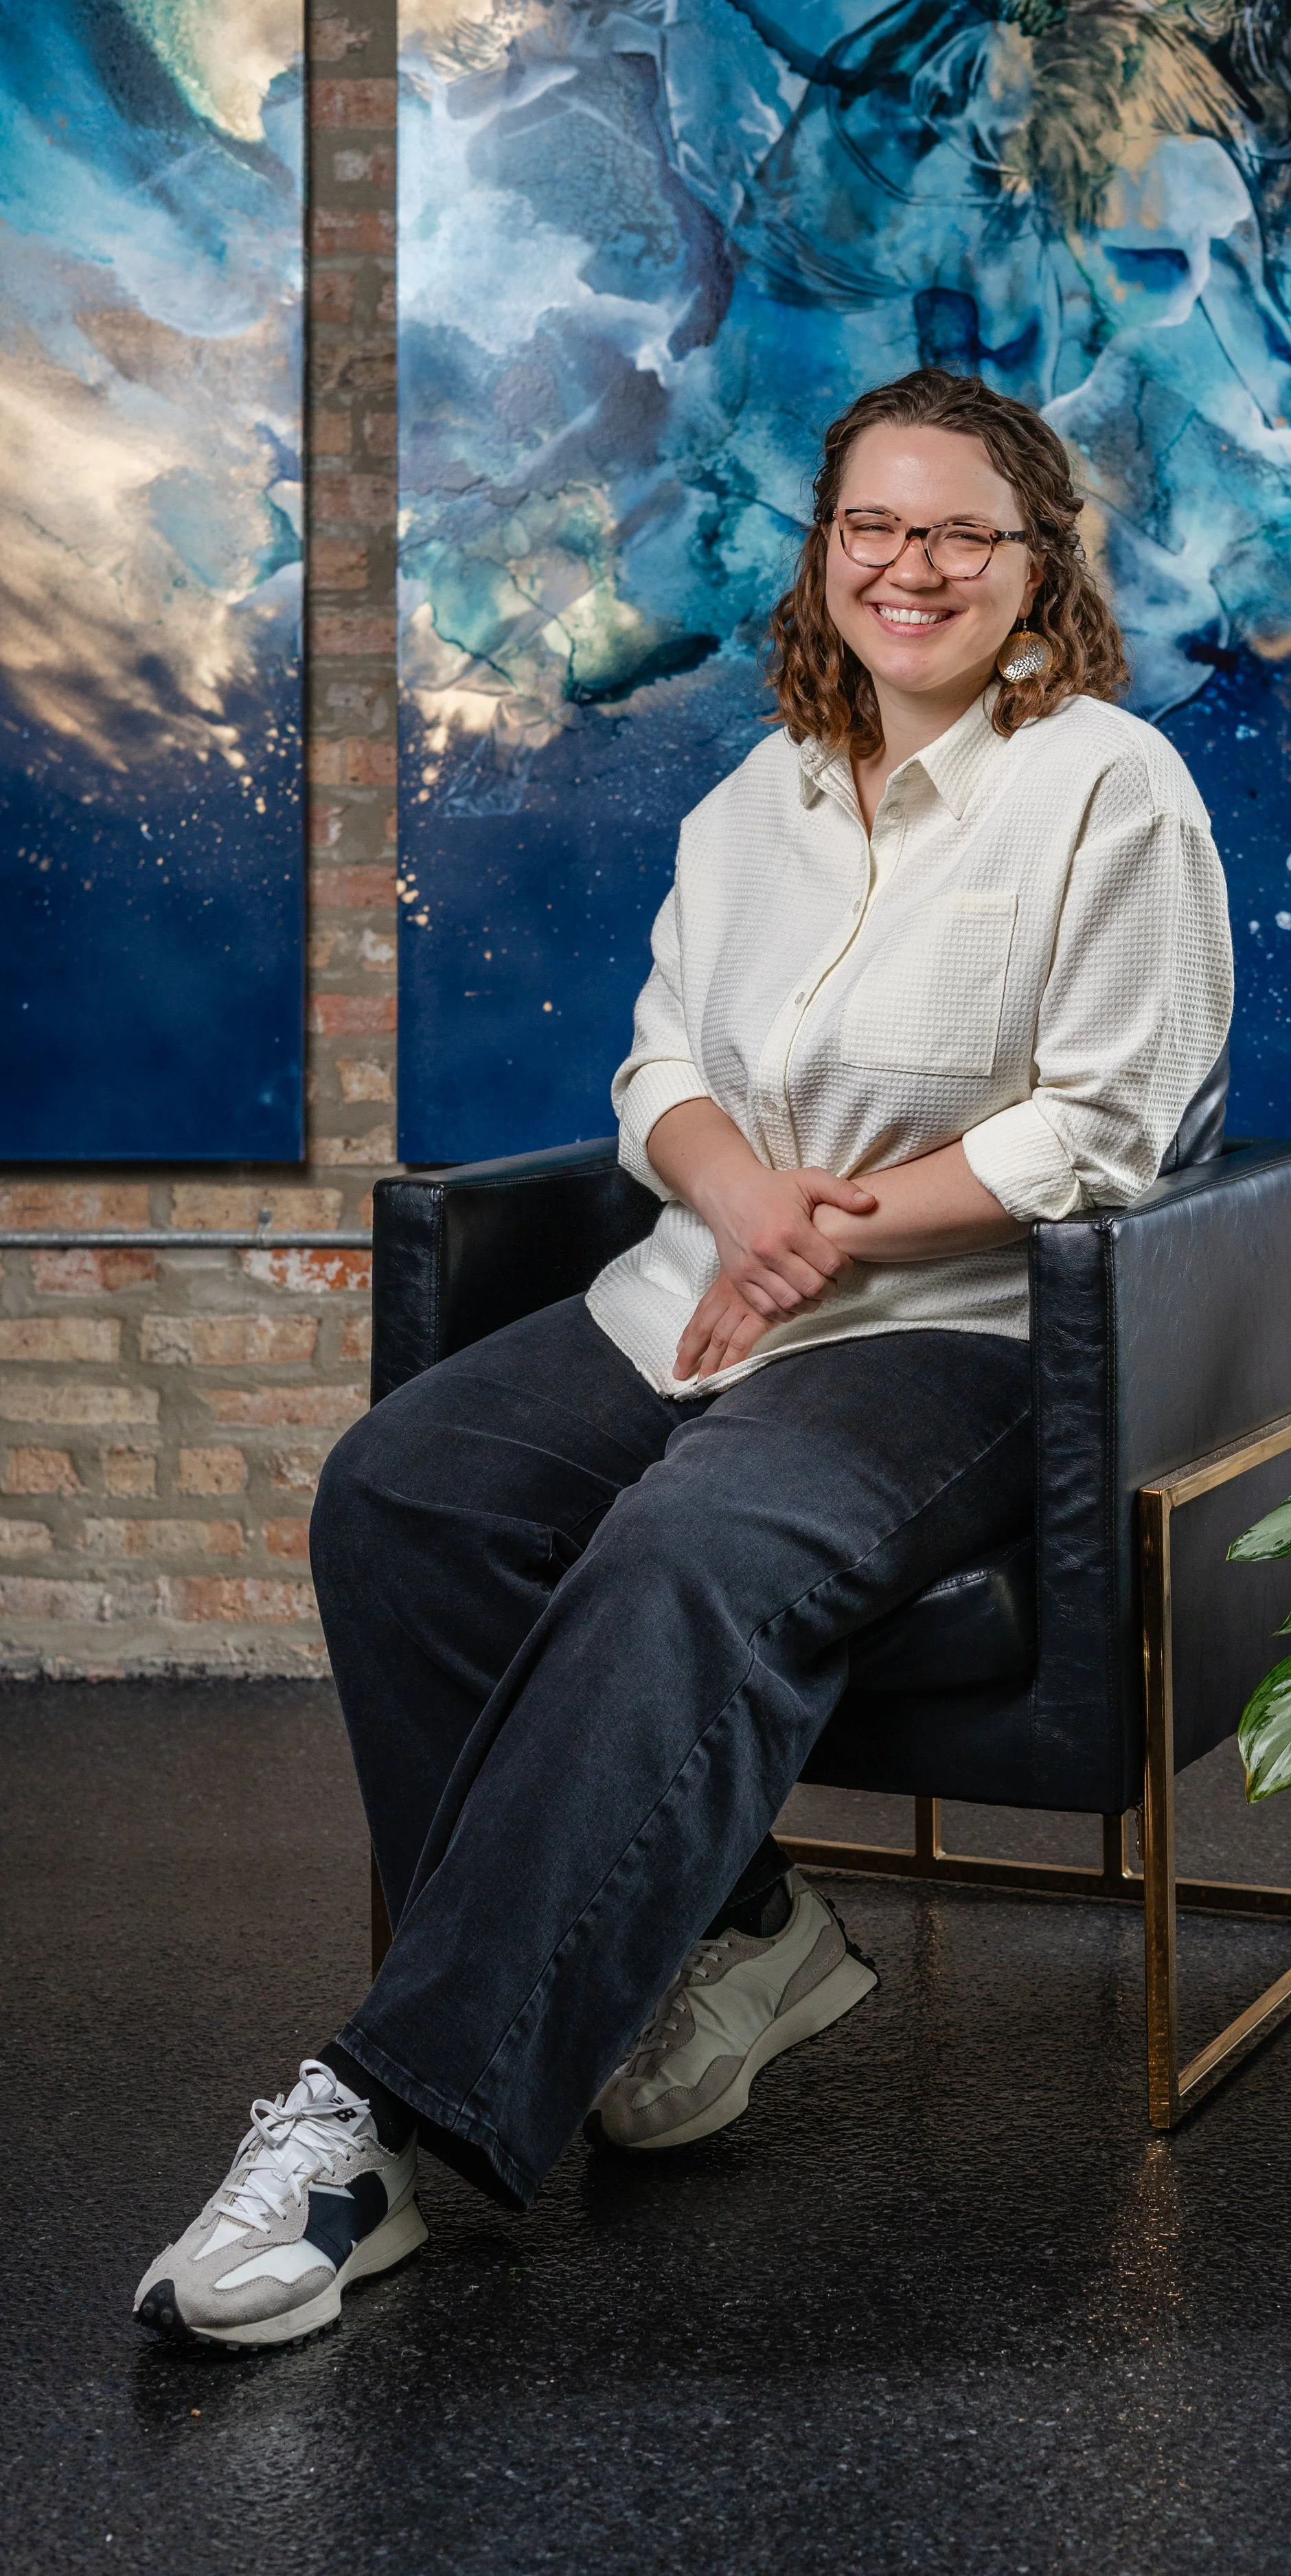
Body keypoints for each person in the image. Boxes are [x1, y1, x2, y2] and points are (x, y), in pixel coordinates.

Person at [133, 368, 1233, 2350]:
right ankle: (732, 1929)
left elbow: (1110, 1124)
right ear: (823, 558)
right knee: (405, 1489)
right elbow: (660, 1072)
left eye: (958, 532)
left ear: (1033, 565)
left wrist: (822, 1232)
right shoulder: (752, 804)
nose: (909, 566)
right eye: (870, 528)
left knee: (688, 1546)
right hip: (700, 1280)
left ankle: (380, 2117)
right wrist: (741, 1208)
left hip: (962, 1336)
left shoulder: (1109, 784)